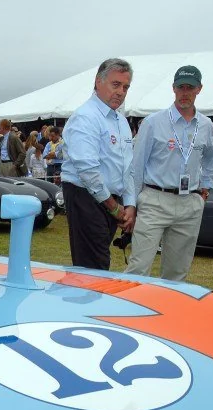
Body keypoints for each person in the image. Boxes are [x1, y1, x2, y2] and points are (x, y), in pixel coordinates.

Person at [125, 65, 213, 282]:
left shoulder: (205, 125)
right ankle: (126, 314)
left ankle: (168, 315)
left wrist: (205, 188)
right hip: (155, 199)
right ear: (173, 88)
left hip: (189, 203)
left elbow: (212, 158)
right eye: (181, 87)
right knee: (139, 267)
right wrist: (132, 204)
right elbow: (136, 166)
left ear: (199, 89)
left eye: (190, 87)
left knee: (177, 273)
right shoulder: (153, 122)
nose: (185, 92)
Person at [61, 58, 138, 271]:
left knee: (97, 266)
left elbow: (128, 167)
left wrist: (130, 204)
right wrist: (114, 208)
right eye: (116, 84)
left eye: (126, 87)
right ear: (98, 82)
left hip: (109, 200)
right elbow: (88, 171)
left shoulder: (120, 121)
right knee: (94, 268)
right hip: (85, 196)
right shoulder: (85, 117)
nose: (121, 92)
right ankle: (87, 303)